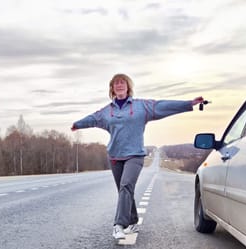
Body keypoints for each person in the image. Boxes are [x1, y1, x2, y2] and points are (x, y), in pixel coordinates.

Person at [71, 73, 205, 240]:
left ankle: (118, 225)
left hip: (135, 155)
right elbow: (92, 118)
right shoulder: (107, 112)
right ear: (112, 89)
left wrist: (188, 104)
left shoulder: (142, 106)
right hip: (114, 156)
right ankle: (133, 221)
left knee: (126, 185)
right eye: (116, 83)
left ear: (128, 87)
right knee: (124, 190)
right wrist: (77, 124)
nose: (119, 85)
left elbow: (162, 105)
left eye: (123, 83)